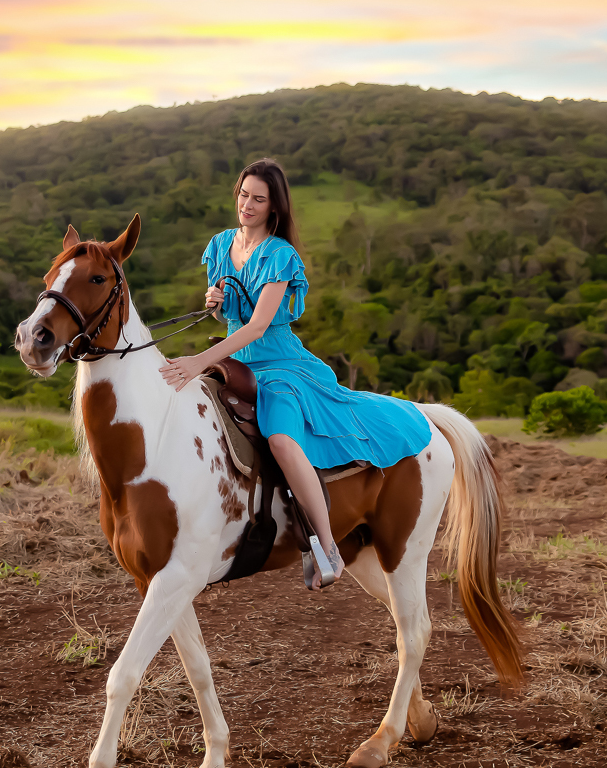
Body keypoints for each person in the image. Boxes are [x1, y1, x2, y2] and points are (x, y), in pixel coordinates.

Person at [158, 158, 432, 589]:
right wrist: (214, 301)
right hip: (236, 362)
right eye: (244, 195)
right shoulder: (221, 245)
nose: (247, 205)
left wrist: (198, 362)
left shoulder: (280, 256)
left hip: (280, 365)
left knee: (282, 441)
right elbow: (230, 319)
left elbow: (257, 326)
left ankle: (325, 546)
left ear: (274, 208)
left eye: (259, 199)